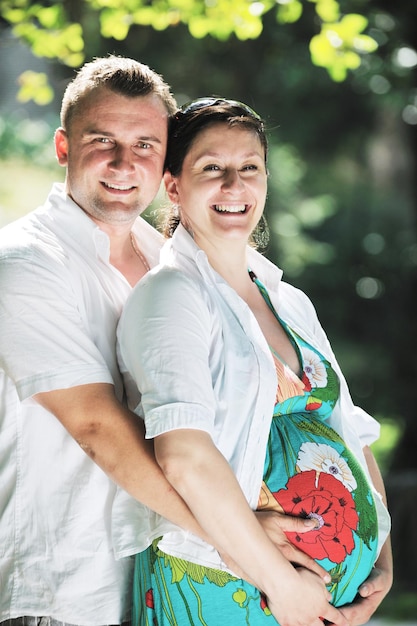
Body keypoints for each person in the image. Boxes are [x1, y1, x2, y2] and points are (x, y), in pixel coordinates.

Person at [0, 57, 329, 626]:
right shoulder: (26, 263)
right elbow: (96, 427)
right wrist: (247, 546)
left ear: (165, 165)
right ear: (62, 147)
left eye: (146, 144)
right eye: (101, 140)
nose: (125, 163)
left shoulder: (169, 262)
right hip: (64, 591)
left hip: (159, 584)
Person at [116, 98, 393, 626]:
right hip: (227, 584)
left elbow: (350, 429)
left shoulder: (287, 299)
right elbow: (185, 457)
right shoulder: (173, 295)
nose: (234, 186)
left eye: (249, 169)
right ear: (173, 186)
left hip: (318, 599)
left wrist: (382, 559)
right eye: (211, 169)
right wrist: (281, 585)